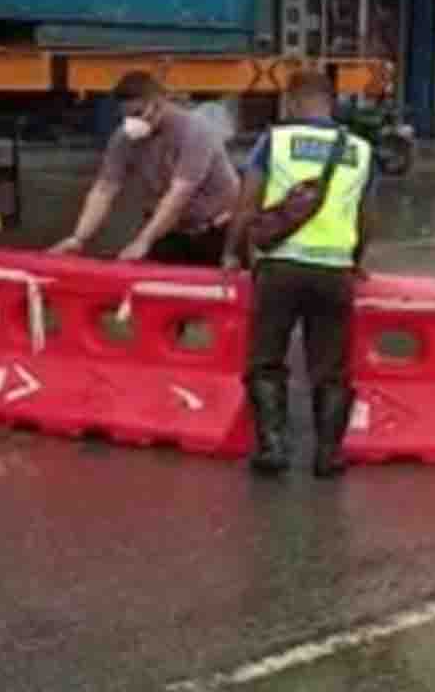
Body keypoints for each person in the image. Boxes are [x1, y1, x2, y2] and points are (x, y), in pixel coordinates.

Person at [224, 71, 375, 477]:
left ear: (292, 101)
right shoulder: (360, 150)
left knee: (267, 359)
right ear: (331, 101)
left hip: (281, 267)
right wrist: (356, 260)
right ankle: (328, 455)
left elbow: (246, 205)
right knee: (331, 367)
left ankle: (273, 447)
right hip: (334, 271)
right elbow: (364, 217)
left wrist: (233, 254)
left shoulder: (274, 141)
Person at [51, 71, 240, 264]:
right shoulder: (124, 137)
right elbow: (104, 189)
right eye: (126, 116)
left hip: (217, 231)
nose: (133, 121)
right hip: (170, 230)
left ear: (159, 104)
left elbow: (179, 194)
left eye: (138, 114)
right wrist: (79, 237)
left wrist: (143, 241)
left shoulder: (195, 130)